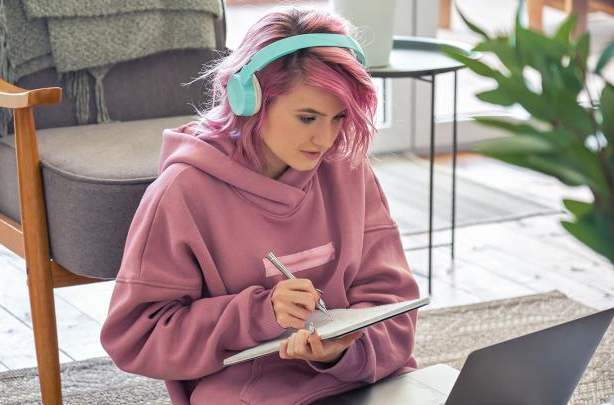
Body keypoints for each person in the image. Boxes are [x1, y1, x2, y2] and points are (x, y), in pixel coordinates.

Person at [100, 6, 420, 405]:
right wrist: (258, 314)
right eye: (307, 117)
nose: (325, 138)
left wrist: (342, 351)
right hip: (249, 392)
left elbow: (396, 306)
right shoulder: (183, 192)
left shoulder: (347, 169)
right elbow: (137, 338)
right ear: (249, 98)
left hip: (363, 376)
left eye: (337, 118)